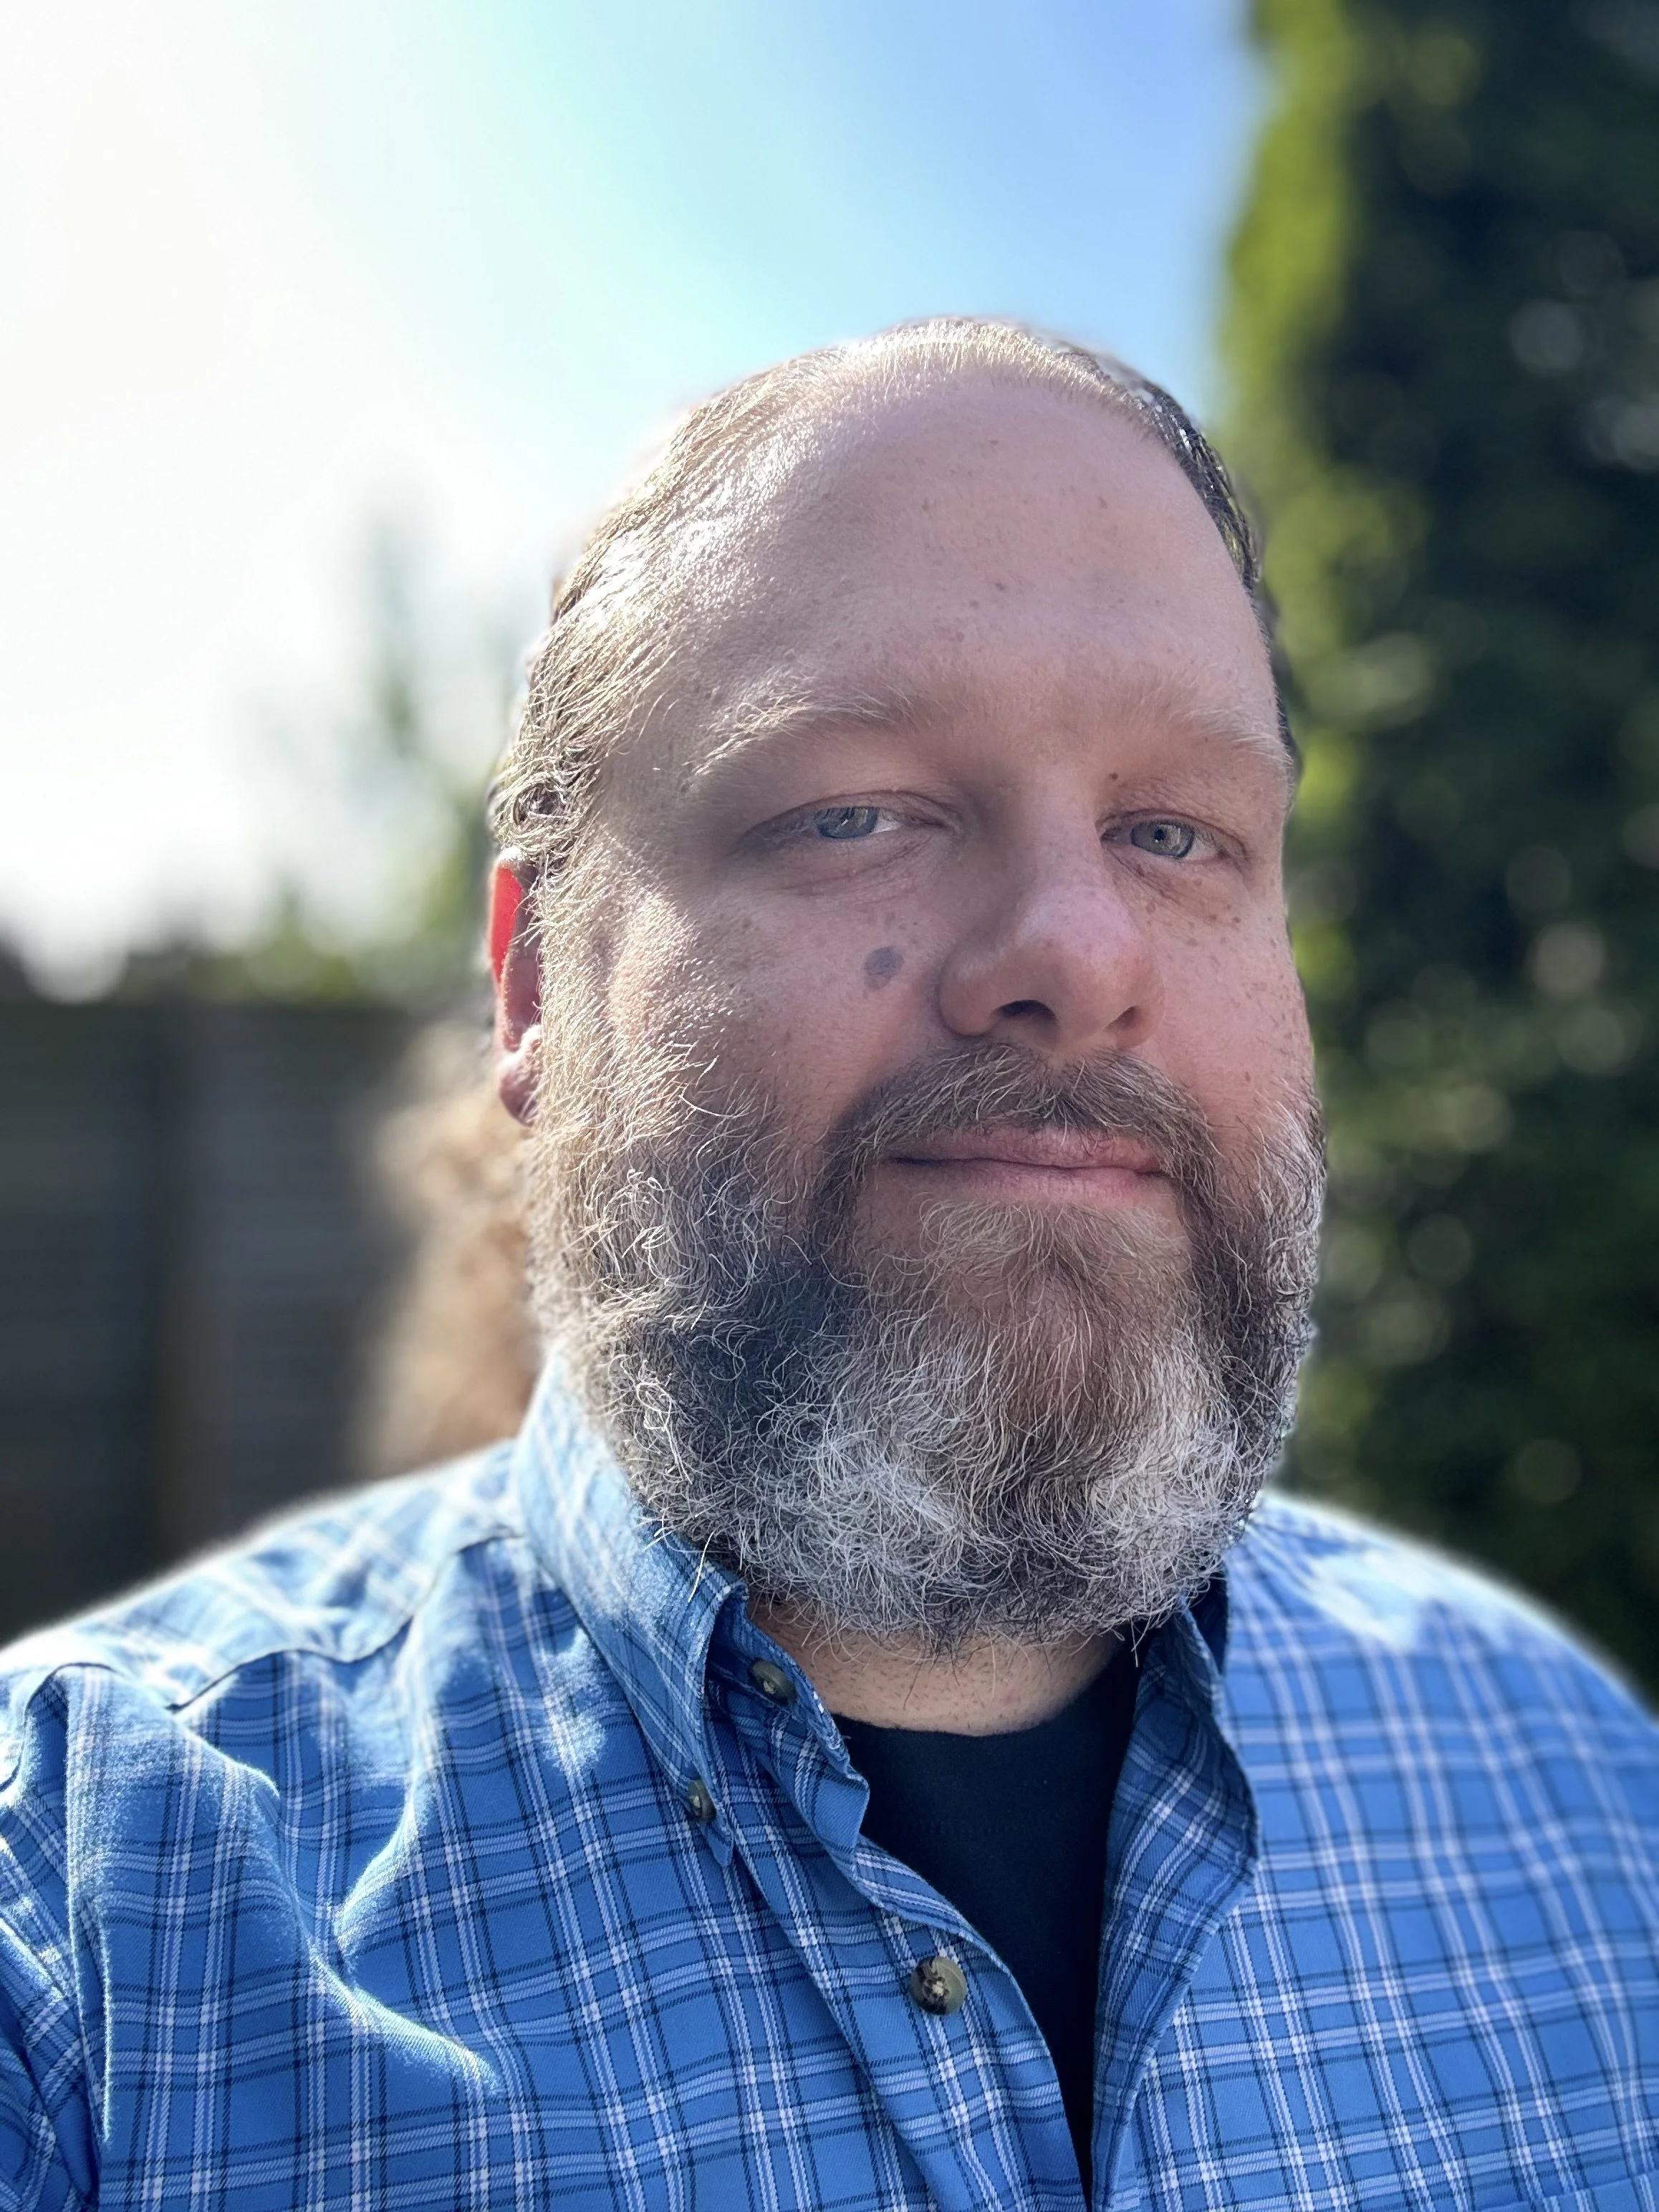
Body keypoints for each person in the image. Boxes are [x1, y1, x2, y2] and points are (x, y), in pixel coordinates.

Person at [1, 319, 1655, 2212]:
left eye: (1178, 832)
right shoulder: (84, 1931)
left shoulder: (1583, 1795)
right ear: (539, 981)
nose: (1073, 947)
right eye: (855, 811)